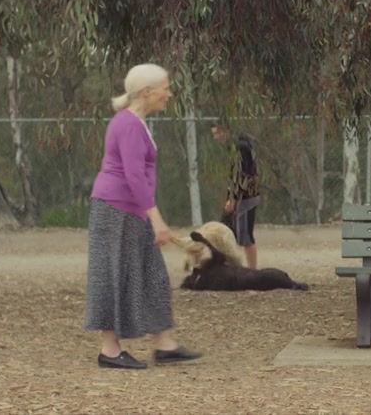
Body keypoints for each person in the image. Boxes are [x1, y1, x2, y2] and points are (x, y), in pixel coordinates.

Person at [83, 63, 201, 369]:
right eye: (165, 88)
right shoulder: (129, 124)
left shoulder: (135, 122)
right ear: (147, 92)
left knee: (153, 274)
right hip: (116, 209)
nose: (169, 94)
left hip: (131, 210)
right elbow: (134, 176)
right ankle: (109, 350)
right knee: (115, 274)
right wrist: (157, 220)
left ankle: (165, 344)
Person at [211, 119, 262, 269]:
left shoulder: (240, 147)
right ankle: (227, 266)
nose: (216, 137)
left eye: (217, 133)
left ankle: (252, 270)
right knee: (226, 231)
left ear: (226, 130)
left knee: (246, 236)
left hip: (246, 197)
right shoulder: (234, 146)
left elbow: (241, 175)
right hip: (240, 196)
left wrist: (233, 198)